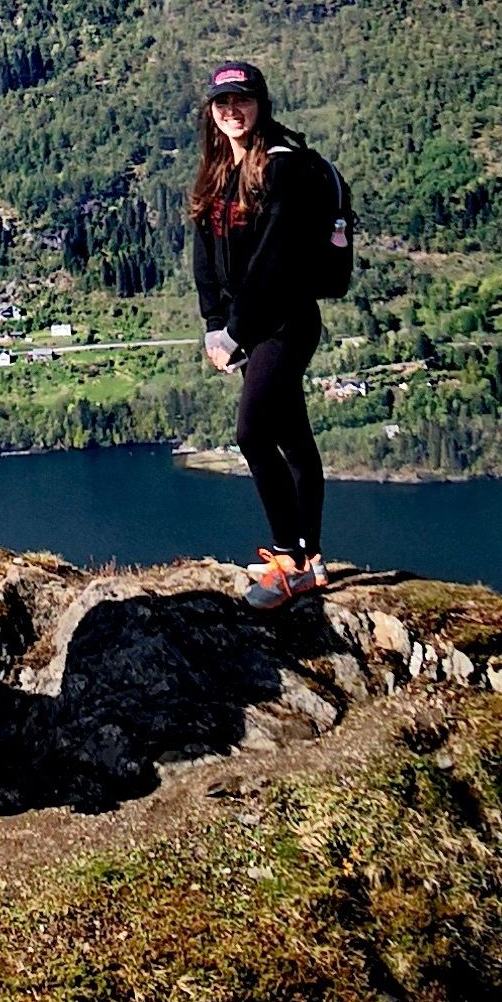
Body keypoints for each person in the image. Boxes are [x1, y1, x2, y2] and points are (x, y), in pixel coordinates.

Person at [189, 59, 332, 609]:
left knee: (252, 432)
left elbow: (274, 260)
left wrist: (234, 332)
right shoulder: (219, 169)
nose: (232, 111)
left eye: (242, 101)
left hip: (285, 322)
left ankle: (287, 560)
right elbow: (204, 253)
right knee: (292, 436)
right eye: (222, 103)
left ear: (260, 104)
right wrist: (211, 323)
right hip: (248, 325)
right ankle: (310, 558)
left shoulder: (282, 169)